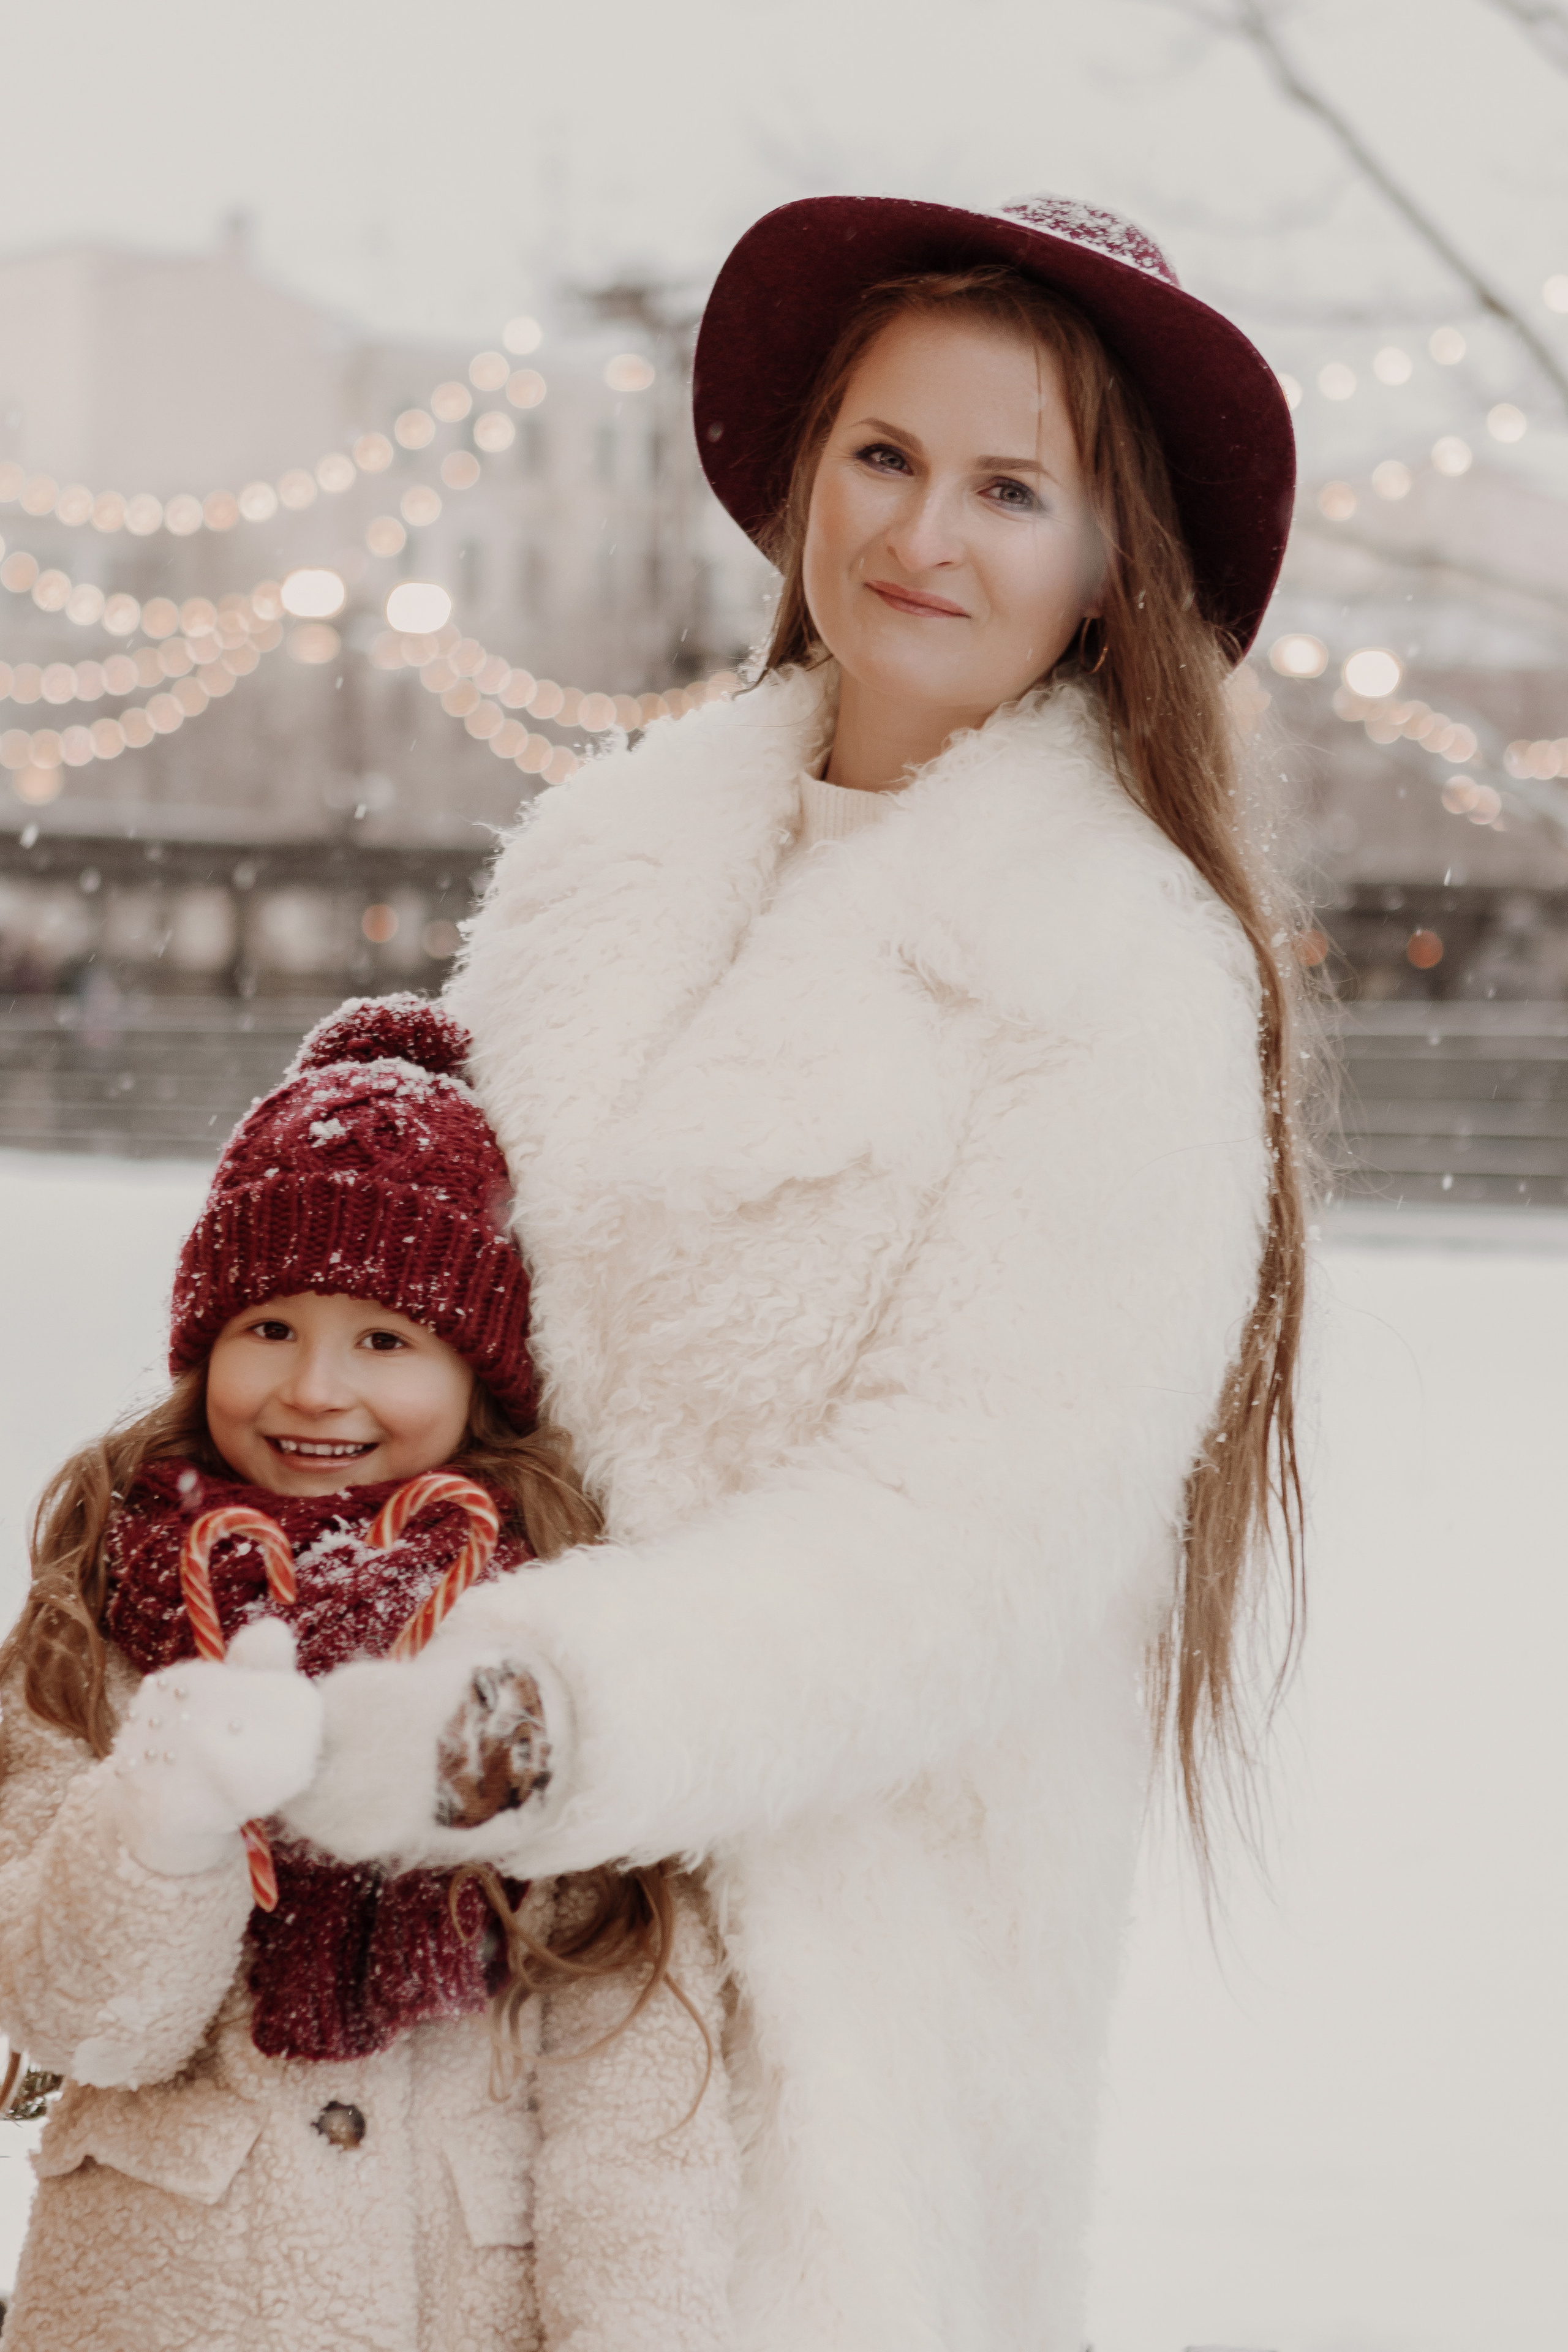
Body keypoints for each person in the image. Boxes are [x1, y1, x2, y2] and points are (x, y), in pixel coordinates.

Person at [279, 195, 1307, 2351]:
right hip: (441, 1975)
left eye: (1015, 487)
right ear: (801, 473)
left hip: (827, 2000)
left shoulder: (1121, 980)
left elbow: (967, 1538)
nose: (927, 531)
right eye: (884, 454)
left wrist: (554, 1712)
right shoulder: (603, 875)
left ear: (1114, 559)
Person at [0, 995, 737, 2352]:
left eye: (386, 1339)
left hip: (469, 2301)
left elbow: (631, 2052)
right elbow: (83, 2021)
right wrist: (168, 1819)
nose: (315, 1390)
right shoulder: (103, 1604)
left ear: (479, 1368)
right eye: (268, 1327)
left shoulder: (549, 1640)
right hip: (164, 2302)